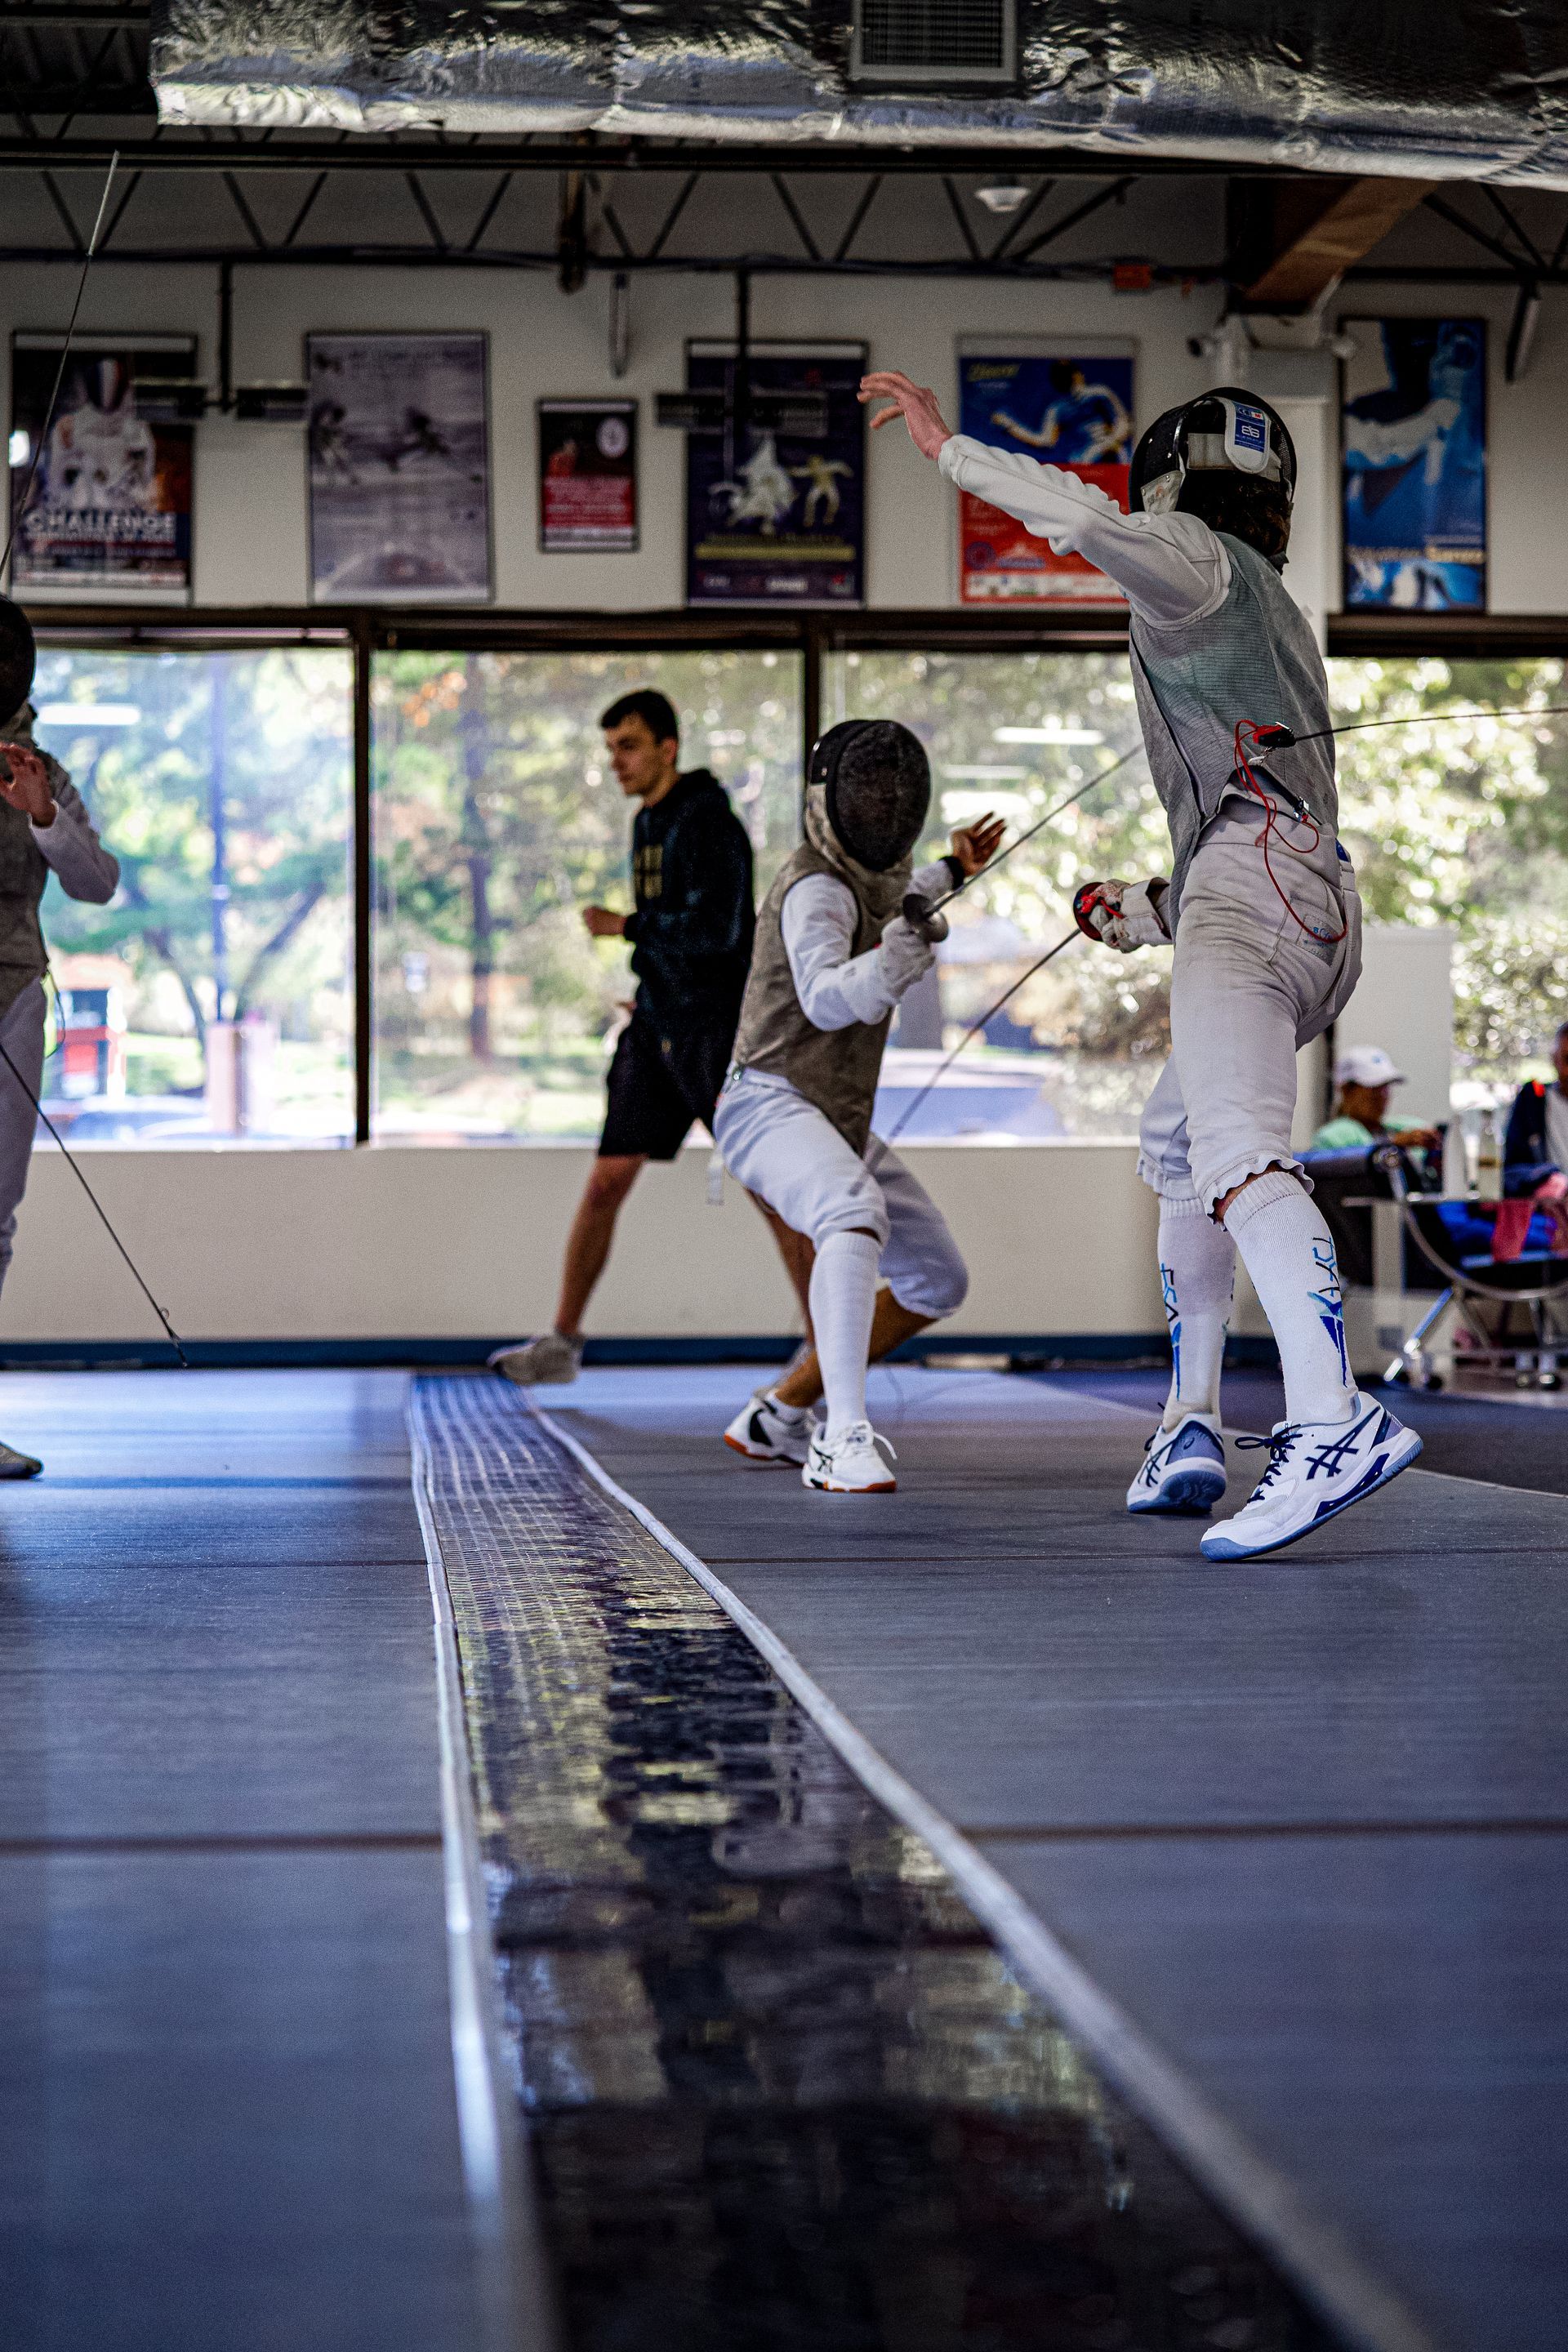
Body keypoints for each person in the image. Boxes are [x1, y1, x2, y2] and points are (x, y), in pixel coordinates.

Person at [861, 368, 1423, 1559]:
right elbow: (1267, 844)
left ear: (1172, 486)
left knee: (1236, 1154)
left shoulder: (1196, 564)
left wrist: (948, 449)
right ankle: (1189, 1422)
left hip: (1254, 886)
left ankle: (1333, 1420)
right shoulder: (1275, 609)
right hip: (1310, 907)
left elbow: (1080, 519)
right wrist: (1152, 907)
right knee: (1180, 1145)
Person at [714, 718, 1002, 1493]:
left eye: (893, 791)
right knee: (850, 1211)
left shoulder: (872, 878)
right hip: (766, 1101)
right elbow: (824, 997)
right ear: (829, 798)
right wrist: (891, 968)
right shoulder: (814, 887)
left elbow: (901, 900)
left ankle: (781, 1411)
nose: (883, 804)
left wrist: (955, 868)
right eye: (869, 790)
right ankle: (840, 1438)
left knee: (937, 1279)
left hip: (832, 1117)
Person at [491, 688, 812, 1386]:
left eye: (629, 746)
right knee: (607, 1181)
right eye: (610, 749)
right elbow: (674, 931)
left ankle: (826, 1351)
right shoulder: (646, 823)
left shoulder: (710, 824)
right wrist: (649, 985)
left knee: (768, 1188)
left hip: (715, 1032)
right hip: (655, 1025)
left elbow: (720, 931)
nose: (617, 762)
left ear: (669, 747)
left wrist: (626, 927)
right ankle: (562, 1344)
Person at [0, 595, 121, 1477]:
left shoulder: (40, 770)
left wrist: (42, 812)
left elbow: (97, 882)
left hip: (14, 995)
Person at [1312, 1044, 1441, 1153]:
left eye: (1385, 1087)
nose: (1382, 1095)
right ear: (1346, 1090)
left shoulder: (1401, 1127)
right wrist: (1394, 1144)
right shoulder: (1331, 1138)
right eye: (1373, 1088)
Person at [1503, 1019, 1568, 1195]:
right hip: (1549, 1205)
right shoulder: (1532, 1099)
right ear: (1554, 1059)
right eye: (1567, 1059)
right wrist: (1545, 1178)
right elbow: (1511, 1170)